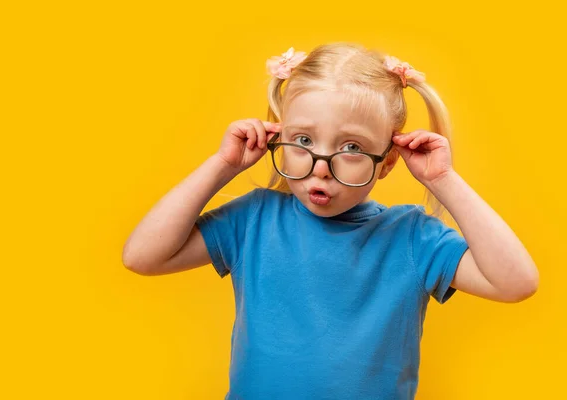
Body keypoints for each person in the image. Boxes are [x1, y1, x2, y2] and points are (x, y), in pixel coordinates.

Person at [122, 42, 539, 399]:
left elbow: (516, 282)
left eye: (352, 146)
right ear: (279, 137)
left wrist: (443, 180)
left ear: (388, 162)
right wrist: (221, 166)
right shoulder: (254, 219)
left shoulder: (413, 238)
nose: (320, 166)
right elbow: (143, 256)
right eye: (303, 141)